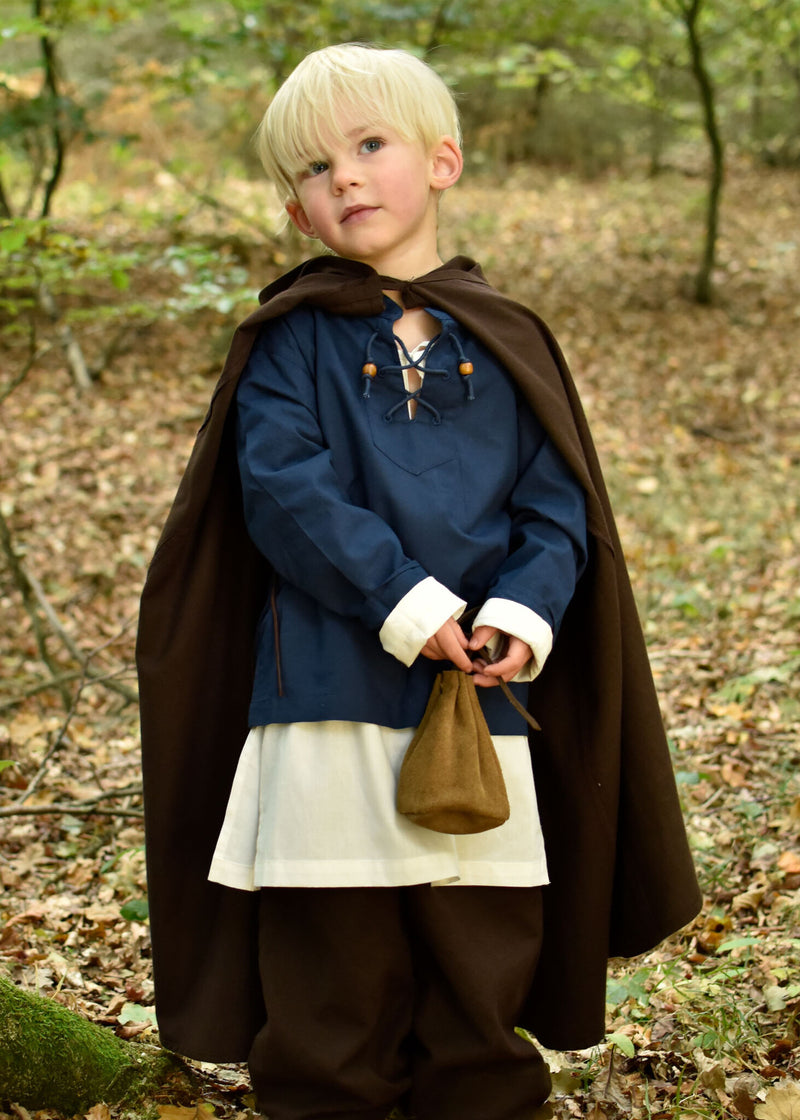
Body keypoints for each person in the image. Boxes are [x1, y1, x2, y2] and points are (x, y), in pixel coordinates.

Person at [136, 43, 701, 1120]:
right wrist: (415, 603)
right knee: (330, 976)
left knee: (477, 963)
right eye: (311, 168)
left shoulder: (508, 336)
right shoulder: (289, 340)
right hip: (324, 701)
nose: (342, 176)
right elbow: (284, 494)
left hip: (479, 705)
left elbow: (556, 506)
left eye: (368, 145)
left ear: (440, 161)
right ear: (295, 214)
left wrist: (520, 618)